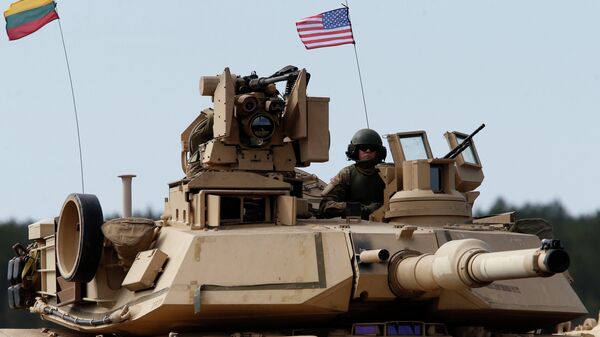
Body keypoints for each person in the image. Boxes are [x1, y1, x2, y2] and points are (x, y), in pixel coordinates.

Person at [319, 128, 387, 220]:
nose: (367, 151)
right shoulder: (347, 174)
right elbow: (325, 205)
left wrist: (381, 207)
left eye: (372, 148)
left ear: (378, 151)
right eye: (363, 147)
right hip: (354, 224)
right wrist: (359, 209)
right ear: (355, 150)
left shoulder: (388, 173)